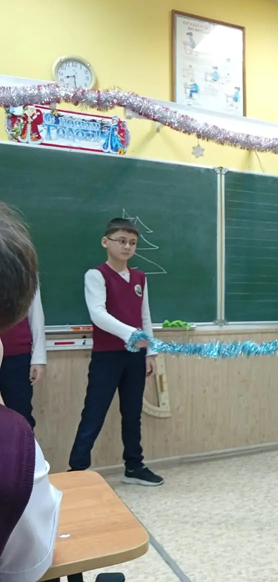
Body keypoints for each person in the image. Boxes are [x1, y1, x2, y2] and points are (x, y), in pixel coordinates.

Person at [68, 218, 163, 486]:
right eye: (121, 241)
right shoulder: (96, 275)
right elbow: (98, 314)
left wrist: (151, 352)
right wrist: (131, 334)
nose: (127, 246)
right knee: (94, 412)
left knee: (132, 414)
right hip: (107, 356)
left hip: (135, 357)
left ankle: (134, 466)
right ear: (106, 241)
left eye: (132, 243)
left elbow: (145, 316)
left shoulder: (140, 277)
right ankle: (77, 470)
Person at [0, 202, 61, 582]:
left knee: (20, 418)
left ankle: (31, 479)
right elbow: (29, 564)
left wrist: (38, 355)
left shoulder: (20, 273)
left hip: (19, 354)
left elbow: (36, 314)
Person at [0, 285, 46, 429]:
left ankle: (24, 444)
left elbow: (36, 313)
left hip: (16, 355)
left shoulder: (23, 272)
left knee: (20, 414)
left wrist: (39, 358)